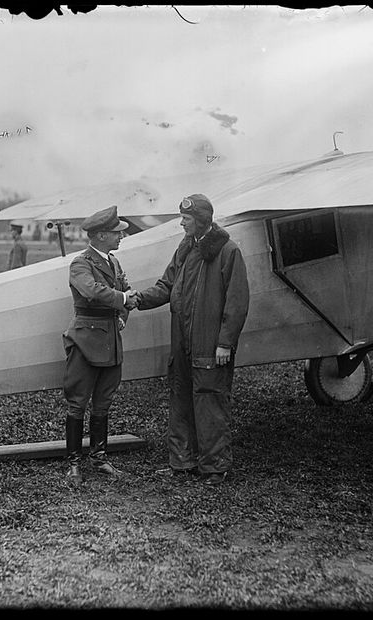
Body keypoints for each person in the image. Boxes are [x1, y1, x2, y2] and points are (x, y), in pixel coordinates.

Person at [133, 194, 249, 486]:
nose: (181, 223)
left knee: (210, 402)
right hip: (181, 341)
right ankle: (182, 462)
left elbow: (237, 302)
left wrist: (225, 342)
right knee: (181, 397)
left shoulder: (228, 251)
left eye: (186, 219)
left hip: (209, 344)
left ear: (201, 221)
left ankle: (214, 467)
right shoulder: (185, 247)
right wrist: (136, 300)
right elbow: (167, 285)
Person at [62, 205, 136, 488]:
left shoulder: (114, 263)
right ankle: (73, 464)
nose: (121, 236)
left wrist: (123, 317)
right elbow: (92, 290)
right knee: (78, 402)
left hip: (110, 339)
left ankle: (99, 458)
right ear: (101, 235)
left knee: (104, 401)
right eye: (117, 233)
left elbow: (125, 293)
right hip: (86, 341)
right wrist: (123, 301)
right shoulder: (80, 264)